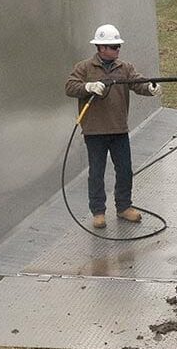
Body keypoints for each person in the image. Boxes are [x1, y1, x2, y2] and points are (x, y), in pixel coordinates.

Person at [65, 24, 162, 229]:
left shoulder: (124, 68)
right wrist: (87, 87)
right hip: (95, 131)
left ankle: (124, 207)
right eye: (113, 46)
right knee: (97, 172)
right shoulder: (84, 68)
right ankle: (98, 212)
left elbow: (138, 83)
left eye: (118, 46)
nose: (117, 50)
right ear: (101, 47)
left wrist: (150, 88)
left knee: (125, 170)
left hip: (119, 129)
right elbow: (70, 87)